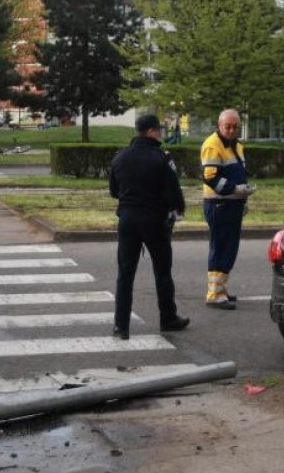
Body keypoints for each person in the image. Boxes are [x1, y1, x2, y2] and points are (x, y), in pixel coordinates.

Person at [108, 113, 190, 340]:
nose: (161, 134)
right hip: (154, 221)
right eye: (159, 130)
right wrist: (178, 208)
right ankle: (168, 318)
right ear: (153, 131)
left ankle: (120, 325)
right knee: (162, 272)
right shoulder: (162, 158)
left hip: (127, 221)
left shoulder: (120, 157)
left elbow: (114, 191)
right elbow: (174, 194)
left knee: (125, 274)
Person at [200, 108, 255, 309]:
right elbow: (210, 177)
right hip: (219, 205)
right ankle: (214, 294)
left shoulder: (237, 145)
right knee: (221, 247)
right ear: (219, 125)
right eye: (227, 126)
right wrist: (236, 189)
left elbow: (238, 172)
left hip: (231, 204)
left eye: (234, 127)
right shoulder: (212, 145)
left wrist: (243, 196)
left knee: (229, 248)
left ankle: (220, 290)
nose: (231, 130)